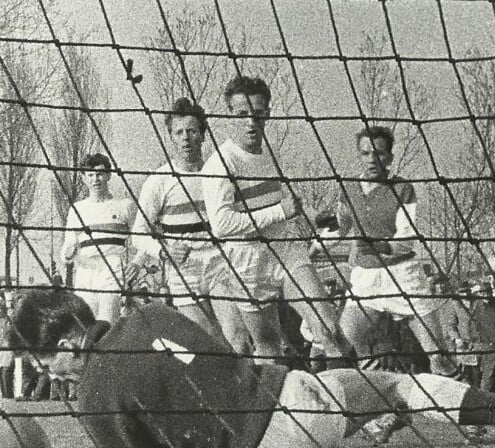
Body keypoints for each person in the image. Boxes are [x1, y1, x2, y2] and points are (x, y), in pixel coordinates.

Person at [8, 288, 495, 448]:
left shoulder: (90, 393)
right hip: (301, 395)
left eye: (42, 358)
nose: (47, 372)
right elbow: (213, 372)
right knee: (398, 385)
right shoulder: (153, 310)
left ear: (64, 342)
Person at [200, 76, 348, 364]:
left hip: (284, 249)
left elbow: (283, 202)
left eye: (258, 114)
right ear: (229, 114)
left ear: (267, 113)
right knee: (268, 347)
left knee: (329, 328)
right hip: (246, 259)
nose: (251, 122)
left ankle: (338, 401)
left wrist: (304, 217)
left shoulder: (271, 152)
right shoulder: (220, 164)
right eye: (242, 114)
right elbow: (222, 225)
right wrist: (280, 212)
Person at [315, 125, 457, 377]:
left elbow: (407, 240)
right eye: (365, 153)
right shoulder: (348, 190)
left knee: (438, 356)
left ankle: (470, 409)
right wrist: (315, 246)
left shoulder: (403, 189)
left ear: (389, 157)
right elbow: (340, 228)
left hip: (403, 277)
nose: (372, 159)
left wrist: (378, 245)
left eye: (379, 153)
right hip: (366, 279)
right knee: (341, 344)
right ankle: (363, 398)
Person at [131, 97, 223, 341]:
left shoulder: (218, 173)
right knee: (207, 336)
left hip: (221, 263)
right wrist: (165, 251)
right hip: (185, 271)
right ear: (171, 136)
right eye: (179, 132)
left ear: (203, 135)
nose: (185, 138)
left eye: (192, 131)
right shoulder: (160, 180)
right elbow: (138, 232)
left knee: (237, 337)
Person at [61, 153, 136, 324]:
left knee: (106, 324)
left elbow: (142, 237)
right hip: (85, 269)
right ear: (84, 178)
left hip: (112, 266)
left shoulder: (125, 206)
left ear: (109, 175)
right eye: (90, 175)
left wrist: (136, 263)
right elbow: (67, 247)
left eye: (100, 174)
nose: (96, 180)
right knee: (85, 325)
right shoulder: (77, 209)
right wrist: (68, 253)